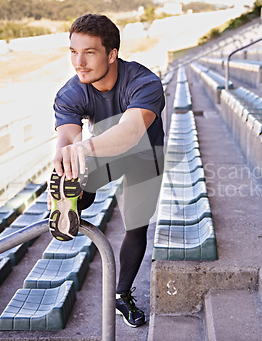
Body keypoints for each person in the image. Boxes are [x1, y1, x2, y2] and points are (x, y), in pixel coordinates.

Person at [47, 13, 165, 328]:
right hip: (105, 156)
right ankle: (71, 199)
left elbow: (130, 133)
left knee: (136, 227)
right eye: (73, 51)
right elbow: (68, 138)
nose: (79, 62)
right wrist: (65, 158)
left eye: (89, 52)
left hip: (145, 156)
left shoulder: (145, 83)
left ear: (112, 54)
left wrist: (82, 148)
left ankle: (121, 295)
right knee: (74, 167)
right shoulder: (70, 92)